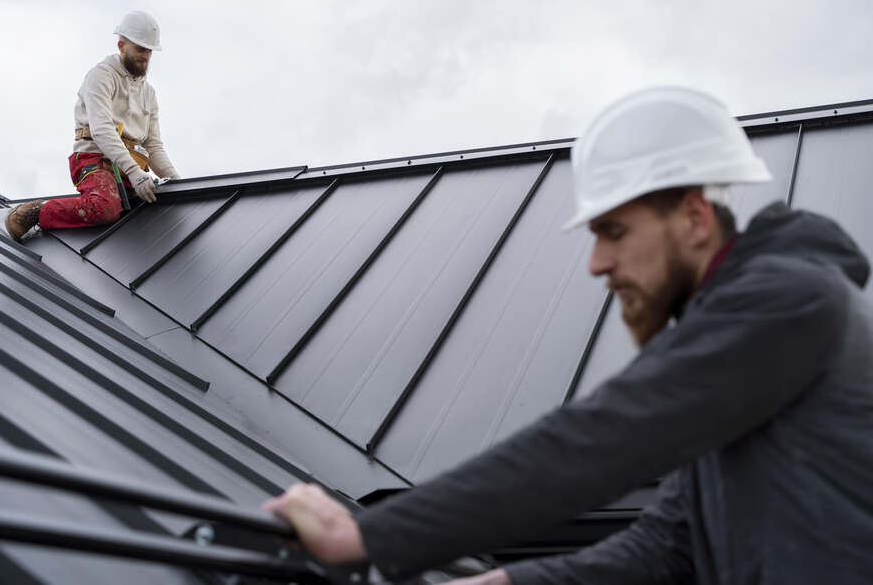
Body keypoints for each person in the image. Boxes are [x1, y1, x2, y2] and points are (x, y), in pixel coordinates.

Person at [264, 87, 873, 584]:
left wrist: (365, 535)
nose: (596, 263)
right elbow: (666, 545)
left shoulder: (788, 301)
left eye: (613, 230)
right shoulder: (742, 367)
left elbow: (608, 435)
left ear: (694, 216)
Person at [2, 10, 181, 242]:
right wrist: (134, 173)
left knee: (159, 205)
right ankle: (35, 213)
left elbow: (153, 146)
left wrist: (179, 184)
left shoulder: (149, 93)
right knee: (104, 207)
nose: (145, 56)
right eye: (139, 49)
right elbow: (102, 130)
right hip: (94, 159)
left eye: (149, 50)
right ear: (121, 45)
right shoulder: (101, 76)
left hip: (130, 167)